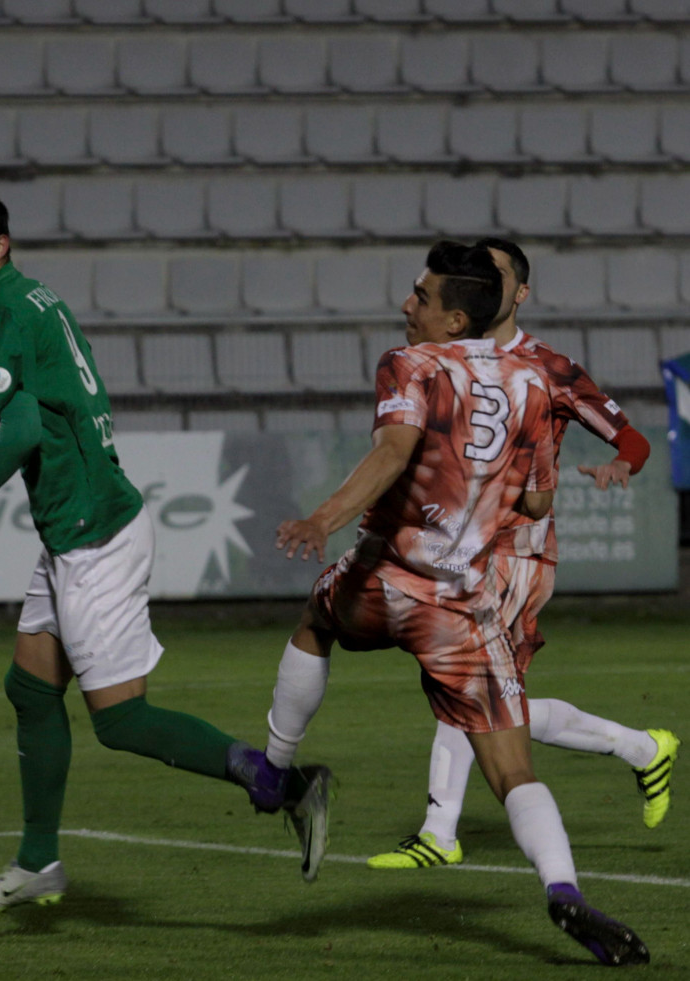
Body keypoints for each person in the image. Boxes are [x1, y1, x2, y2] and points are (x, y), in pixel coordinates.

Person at [233, 241, 649, 967]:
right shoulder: (532, 380)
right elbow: (537, 494)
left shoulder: (410, 364)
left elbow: (393, 450)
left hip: (384, 578)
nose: (405, 305)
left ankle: (274, 769)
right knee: (514, 773)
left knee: (312, 622)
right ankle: (564, 888)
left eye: (418, 297)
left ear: (452, 316)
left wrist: (320, 519)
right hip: (462, 606)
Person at [0, 183, 327, 915]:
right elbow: (31, 401)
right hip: (75, 528)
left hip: (92, 535)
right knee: (30, 689)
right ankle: (38, 860)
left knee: (120, 720)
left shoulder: (5, 307)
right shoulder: (17, 302)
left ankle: (277, 780)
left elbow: (22, 432)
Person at [366, 238, 678, 871]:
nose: (482, 279)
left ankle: (439, 832)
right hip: (460, 550)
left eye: (497, 273)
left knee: (466, 684)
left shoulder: (547, 367)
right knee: (488, 697)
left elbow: (634, 439)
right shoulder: (440, 358)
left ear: (518, 291)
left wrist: (620, 463)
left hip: (517, 553)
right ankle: (643, 747)